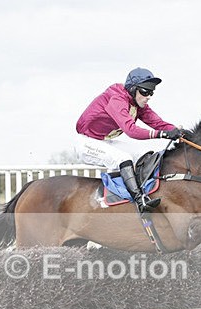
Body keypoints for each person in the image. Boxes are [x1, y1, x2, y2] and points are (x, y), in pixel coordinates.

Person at [75, 67, 182, 212]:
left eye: (151, 92)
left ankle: (141, 192)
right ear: (132, 89)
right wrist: (162, 134)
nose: (148, 96)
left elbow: (158, 123)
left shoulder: (138, 104)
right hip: (86, 142)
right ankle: (139, 200)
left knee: (142, 154)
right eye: (145, 91)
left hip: (104, 141)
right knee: (123, 158)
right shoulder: (116, 99)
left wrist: (179, 132)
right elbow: (131, 130)